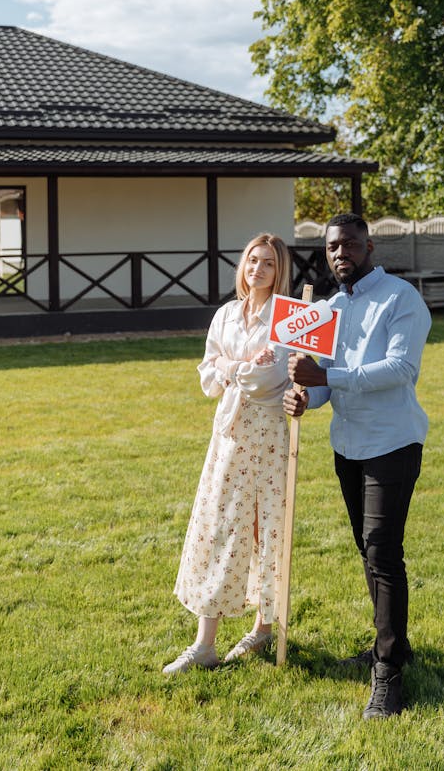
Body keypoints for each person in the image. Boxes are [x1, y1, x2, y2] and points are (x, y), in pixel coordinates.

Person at [285, 212, 430, 719]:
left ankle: (387, 672)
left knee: (382, 552)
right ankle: (395, 645)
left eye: (348, 244)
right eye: (331, 248)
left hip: (392, 442)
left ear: (369, 247)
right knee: (367, 552)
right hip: (347, 445)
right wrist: (308, 394)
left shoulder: (401, 299)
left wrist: (329, 374)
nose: (339, 254)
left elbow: (400, 368)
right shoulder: (326, 311)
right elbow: (325, 385)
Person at [163, 233, 293, 674]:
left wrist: (232, 369)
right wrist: (239, 367)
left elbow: (270, 378)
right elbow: (208, 371)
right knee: (218, 525)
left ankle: (263, 625)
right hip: (229, 432)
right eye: (253, 261)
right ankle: (206, 644)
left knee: (265, 526)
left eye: (269, 264)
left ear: (280, 271)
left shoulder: (287, 316)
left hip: (268, 432)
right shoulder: (225, 314)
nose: (258, 269)